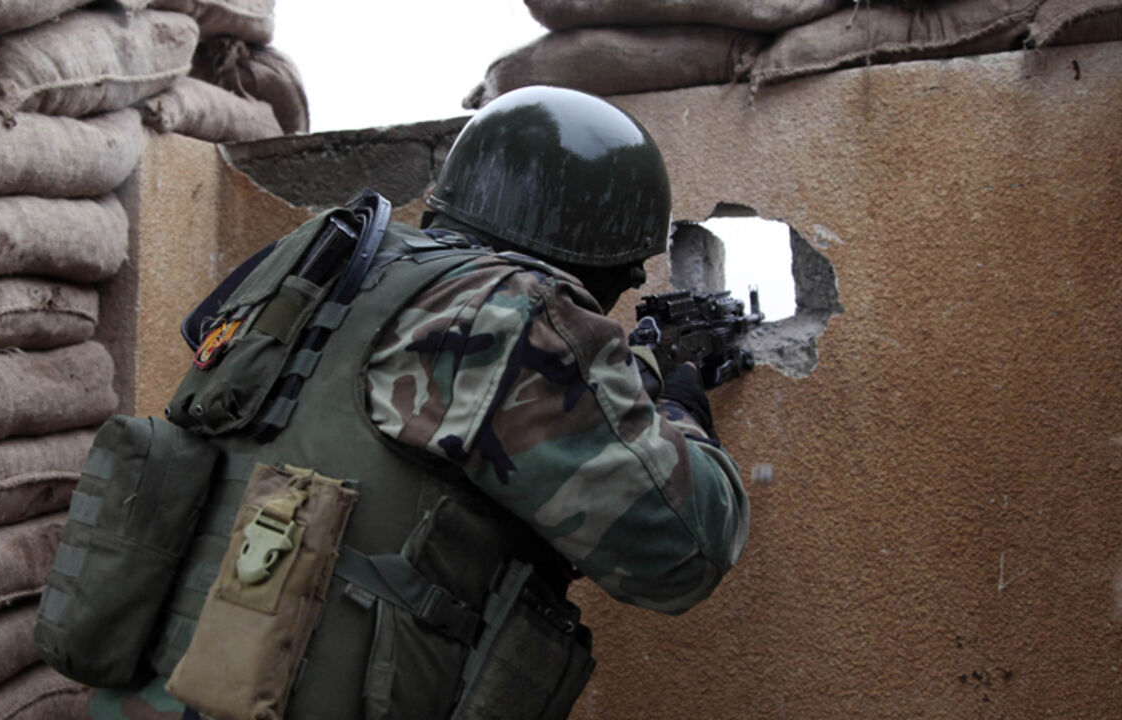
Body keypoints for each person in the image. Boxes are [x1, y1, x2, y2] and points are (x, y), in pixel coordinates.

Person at [91, 85, 748, 720]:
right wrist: (680, 410)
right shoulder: (513, 314)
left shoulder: (333, 263)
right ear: (590, 256)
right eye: (621, 277)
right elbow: (683, 552)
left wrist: (632, 371)